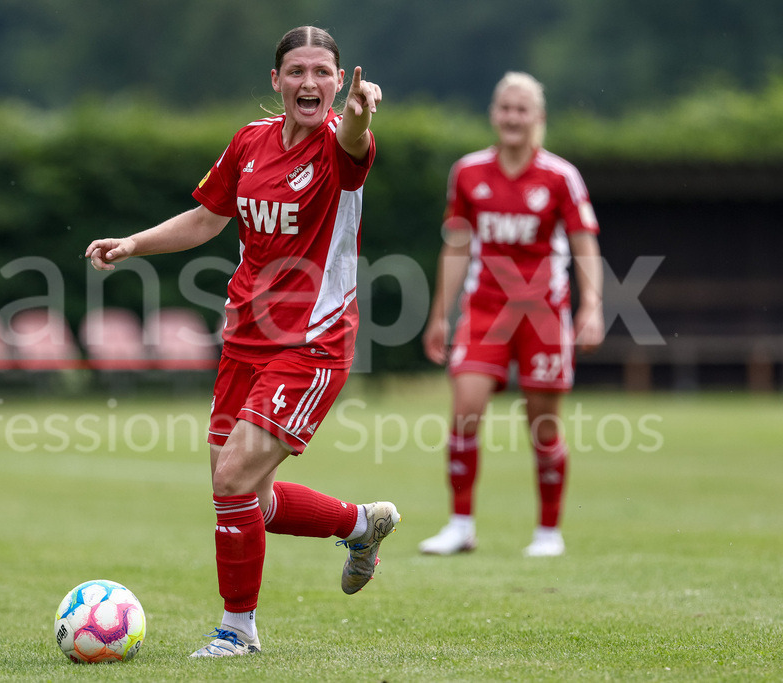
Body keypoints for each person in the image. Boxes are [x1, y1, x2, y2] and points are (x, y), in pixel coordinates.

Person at [85, 26, 399, 657]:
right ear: (276, 81)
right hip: (244, 338)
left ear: (340, 82)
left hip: (312, 341)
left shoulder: (341, 145)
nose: (309, 82)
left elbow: (357, 142)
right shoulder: (251, 142)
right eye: (296, 71)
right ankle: (360, 524)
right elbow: (206, 217)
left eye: (322, 72)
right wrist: (133, 244)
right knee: (247, 496)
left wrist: (361, 121)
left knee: (230, 479)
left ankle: (238, 631)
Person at [418, 72, 604, 558]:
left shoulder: (561, 176)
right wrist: (440, 315)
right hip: (484, 311)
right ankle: (461, 525)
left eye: (522, 109)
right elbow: (456, 247)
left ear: (538, 118)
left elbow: (585, 244)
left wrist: (593, 306)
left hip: (543, 313)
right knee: (465, 412)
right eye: (505, 108)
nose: (512, 117)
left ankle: (548, 531)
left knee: (542, 424)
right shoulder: (468, 172)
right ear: (493, 114)